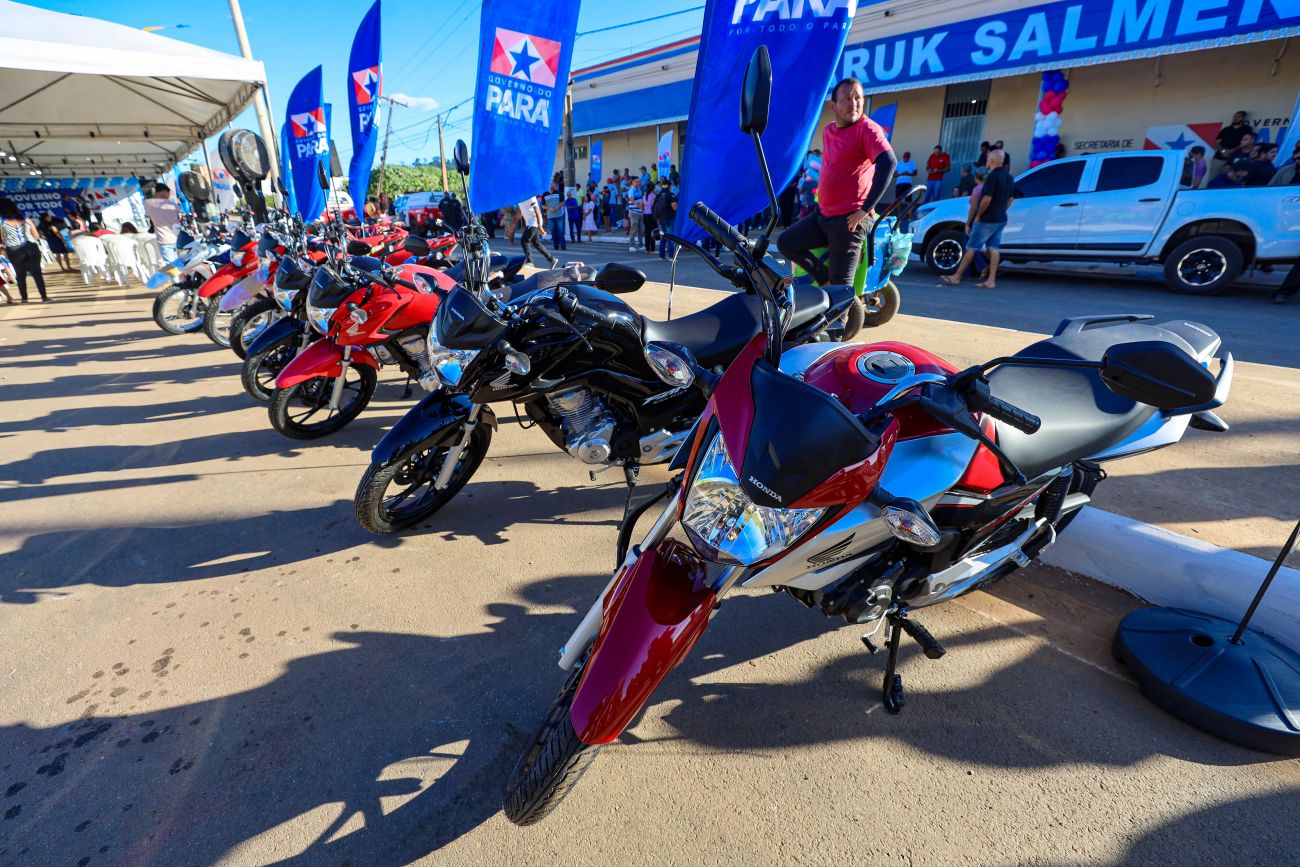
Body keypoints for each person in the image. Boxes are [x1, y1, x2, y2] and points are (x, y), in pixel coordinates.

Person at [776, 77, 896, 287]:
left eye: (858, 98)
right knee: (786, 243)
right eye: (847, 98)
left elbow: (888, 162)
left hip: (849, 221)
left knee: (841, 292)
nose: (854, 103)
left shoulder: (867, 129)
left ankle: (836, 296)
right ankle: (824, 278)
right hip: (823, 216)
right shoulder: (829, 130)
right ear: (833, 105)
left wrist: (864, 210)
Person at [941, 149, 1013, 290]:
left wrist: (978, 216)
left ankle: (956, 277)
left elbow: (986, 199)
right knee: (994, 248)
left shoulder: (992, 177)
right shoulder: (1009, 177)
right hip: (1000, 218)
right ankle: (991, 280)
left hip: (987, 218)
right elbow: (1011, 198)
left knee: (971, 247)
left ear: (991, 161)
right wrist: (1002, 209)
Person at [1, 197, 49, 302]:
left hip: (13, 249)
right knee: (37, 273)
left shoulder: (2, 221)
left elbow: (2, 238)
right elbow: (36, 236)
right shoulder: (26, 219)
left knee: (20, 275)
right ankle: (44, 297)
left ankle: (24, 298)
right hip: (31, 247)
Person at [1207, 110, 1253, 186]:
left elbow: (1245, 142)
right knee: (1213, 179)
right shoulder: (1226, 129)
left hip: (1233, 159)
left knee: (1229, 182)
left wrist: (1231, 151)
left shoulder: (1246, 129)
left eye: (1238, 117)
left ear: (1243, 118)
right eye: (1235, 117)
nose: (1236, 118)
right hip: (1218, 158)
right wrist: (1223, 151)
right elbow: (1217, 142)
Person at [143, 183, 182, 261]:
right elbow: (180, 219)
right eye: (169, 193)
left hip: (164, 240)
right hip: (178, 238)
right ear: (164, 192)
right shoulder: (174, 205)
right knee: (182, 263)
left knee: (171, 265)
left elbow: (148, 215)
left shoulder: (148, 203)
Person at [518, 196, 556, 268]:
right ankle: (551, 259)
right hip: (530, 223)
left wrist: (540, 226)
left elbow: (537, 210)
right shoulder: (520, 198)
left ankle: (530, 261)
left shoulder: (530, 196)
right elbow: (520, 212)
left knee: (524, 241)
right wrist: (515, 224)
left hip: (534, 222)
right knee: (536, 243)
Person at [651, 179, 677, 260]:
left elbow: (654, 207)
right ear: (670, 186)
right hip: (669, 219)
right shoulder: (671, 195)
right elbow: (674, 207)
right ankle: (671, 256)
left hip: (660, 219)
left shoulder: (658, 195)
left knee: (662, 237)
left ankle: (661, 256)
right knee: (670, 238)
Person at [543, 183, 566, 251]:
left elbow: (563, 202)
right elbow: (543, 206)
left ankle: (563, 245)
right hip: (550, 217)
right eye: (550, 185)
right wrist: (549, 209)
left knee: (561, 231)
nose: (551, 186)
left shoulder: (558, 192)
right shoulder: (545, 194)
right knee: (553, 232)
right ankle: (556, 245)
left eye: (552, 185)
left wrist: (557, 207)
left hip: (559, 215)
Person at [625, 177, 644, 251]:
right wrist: (639, 206)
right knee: (633, 229)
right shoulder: (631, 190)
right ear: (632, 182)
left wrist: (642, 208)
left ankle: (640, 245)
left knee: (641, 229)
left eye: (639, 181)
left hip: (640, 212)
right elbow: (632, 200)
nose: (638, 183)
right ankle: (632, 245)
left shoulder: (639, 190)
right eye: (637, 182)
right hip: (633, 212)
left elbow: (641, 199)